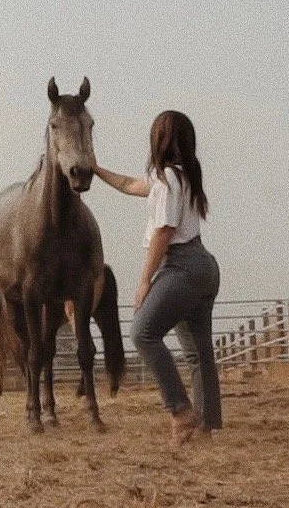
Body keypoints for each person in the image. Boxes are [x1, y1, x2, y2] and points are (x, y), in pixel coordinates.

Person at [94, 110, 221, 443]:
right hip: (204, 266)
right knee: (198, 352)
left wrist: (144, 281)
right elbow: (128, 184)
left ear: (159, 139)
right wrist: (96, 168)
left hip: (181, 266)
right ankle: (204, 429)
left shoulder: (167, 180)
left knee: (142, 333)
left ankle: (181, 413)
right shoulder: (182, 177)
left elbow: (164, 232)